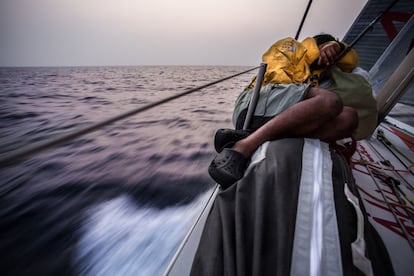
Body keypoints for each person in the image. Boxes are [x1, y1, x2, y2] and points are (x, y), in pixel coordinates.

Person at [208, 34, 378, 188]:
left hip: (277, 114)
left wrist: (338, 46)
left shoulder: (319, 74)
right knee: (331, 101)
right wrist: (318, 52)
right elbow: (277, 77)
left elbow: (351, 60)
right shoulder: (291, 46)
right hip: (254, 104)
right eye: (327, 50)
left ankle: (250, 135)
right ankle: (242, 147)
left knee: (349, 117)